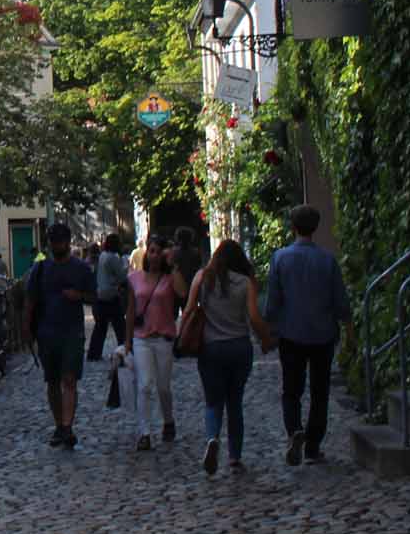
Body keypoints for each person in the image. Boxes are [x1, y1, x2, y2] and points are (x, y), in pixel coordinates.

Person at [262, 204, 350, 465]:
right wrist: (348, 326)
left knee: (291, 390)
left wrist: (269, 329)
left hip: (291, 334)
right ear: (315, 228)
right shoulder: (327, 259)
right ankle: (313, 444)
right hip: (322, 334)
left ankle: (294, 431)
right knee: (320, 391)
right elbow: (340, 300)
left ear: (293, 227)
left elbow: (273, 302)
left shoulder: (280, 258)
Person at [179, 238, 274, 476]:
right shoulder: (245, 282)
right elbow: (253, 316)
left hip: (210, 348)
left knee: (213, 401)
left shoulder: (202, 277)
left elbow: (189, 308)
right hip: (239, 347)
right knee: (235, 402)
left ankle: (212, 439)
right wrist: (266, 339)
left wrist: (181, 336)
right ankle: (234, 457)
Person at [23, 222, 95, 448]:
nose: (57, 246)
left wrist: (79, 295)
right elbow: (30, 300)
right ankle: (58, 425)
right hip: (47, 333)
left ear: (67, 241)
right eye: (53, 242)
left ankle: (67, 427)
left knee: (69, 379)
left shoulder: (81, 268)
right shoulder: (40, 268)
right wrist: (26, 329)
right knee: (52, 381)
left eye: (60, 242)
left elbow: (94, 297)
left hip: (72, 332)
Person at [125, 236, 182, 449]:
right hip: (142, 339)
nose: (155, 255)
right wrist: (127, 342)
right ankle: (145, 432)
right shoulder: (134, 278)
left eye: (159, 252)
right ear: (146, 253)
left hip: (164, 338)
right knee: (145, 385)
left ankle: (168, 421)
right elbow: (130, 311)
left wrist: (173, 265)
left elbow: (183, 292)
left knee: (163, 387)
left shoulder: (169, 279)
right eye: (152, 251)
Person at [88, 231, 129, 361]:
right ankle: (126, 349)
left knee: (100, 327)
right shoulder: (113, 258)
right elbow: (122, 276)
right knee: (120, 326)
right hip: (111, 294)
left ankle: (93, 353)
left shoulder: (103, 256)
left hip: (100, 294)